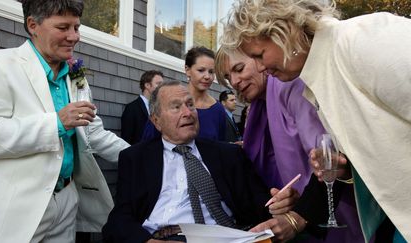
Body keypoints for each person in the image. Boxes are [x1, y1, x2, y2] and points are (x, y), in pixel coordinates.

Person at [221, 0, 411, 241]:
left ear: (285, 32)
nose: (260, 67)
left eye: (259, 55)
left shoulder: (361, 41)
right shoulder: (319, 79)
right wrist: (344, 168)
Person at [0, 0, 130, 242]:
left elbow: (93, 134)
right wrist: (56, 123)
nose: (74, 37)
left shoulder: (76, 77)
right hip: (15, 210)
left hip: (67, 201)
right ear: (33, 25)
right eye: (63, 28)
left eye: (77, 27)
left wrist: (147, 158)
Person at [102, 81, 299, 243]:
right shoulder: (135, 158)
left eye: (190, 105)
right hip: (165, 237)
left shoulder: (229, 154)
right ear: (156, 121)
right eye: (176, 107)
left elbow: (263, 203)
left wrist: (281, 204)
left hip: (227, 236)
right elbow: (119, 220)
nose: (187, 113)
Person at [214, 46, 367, 242]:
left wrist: (297, 217)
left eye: (239, 68)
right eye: (228, 77)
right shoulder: (258, 106)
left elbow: (328, 159)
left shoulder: (288, 85)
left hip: (340, 210)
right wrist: (291, 199)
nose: (234, 82)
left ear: (260, 60)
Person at [142, 46, 226, 141]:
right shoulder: (166, 101)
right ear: (187, 70)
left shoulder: (218, 109)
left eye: (211, 72)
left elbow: (221, 147)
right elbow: (148, 143)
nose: (207, 76)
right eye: (201, 70)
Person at [120, 70, 164, 144]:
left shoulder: (161, 109)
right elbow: (126, 139)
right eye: (158, 84)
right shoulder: (132, 108)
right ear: (147, 85)